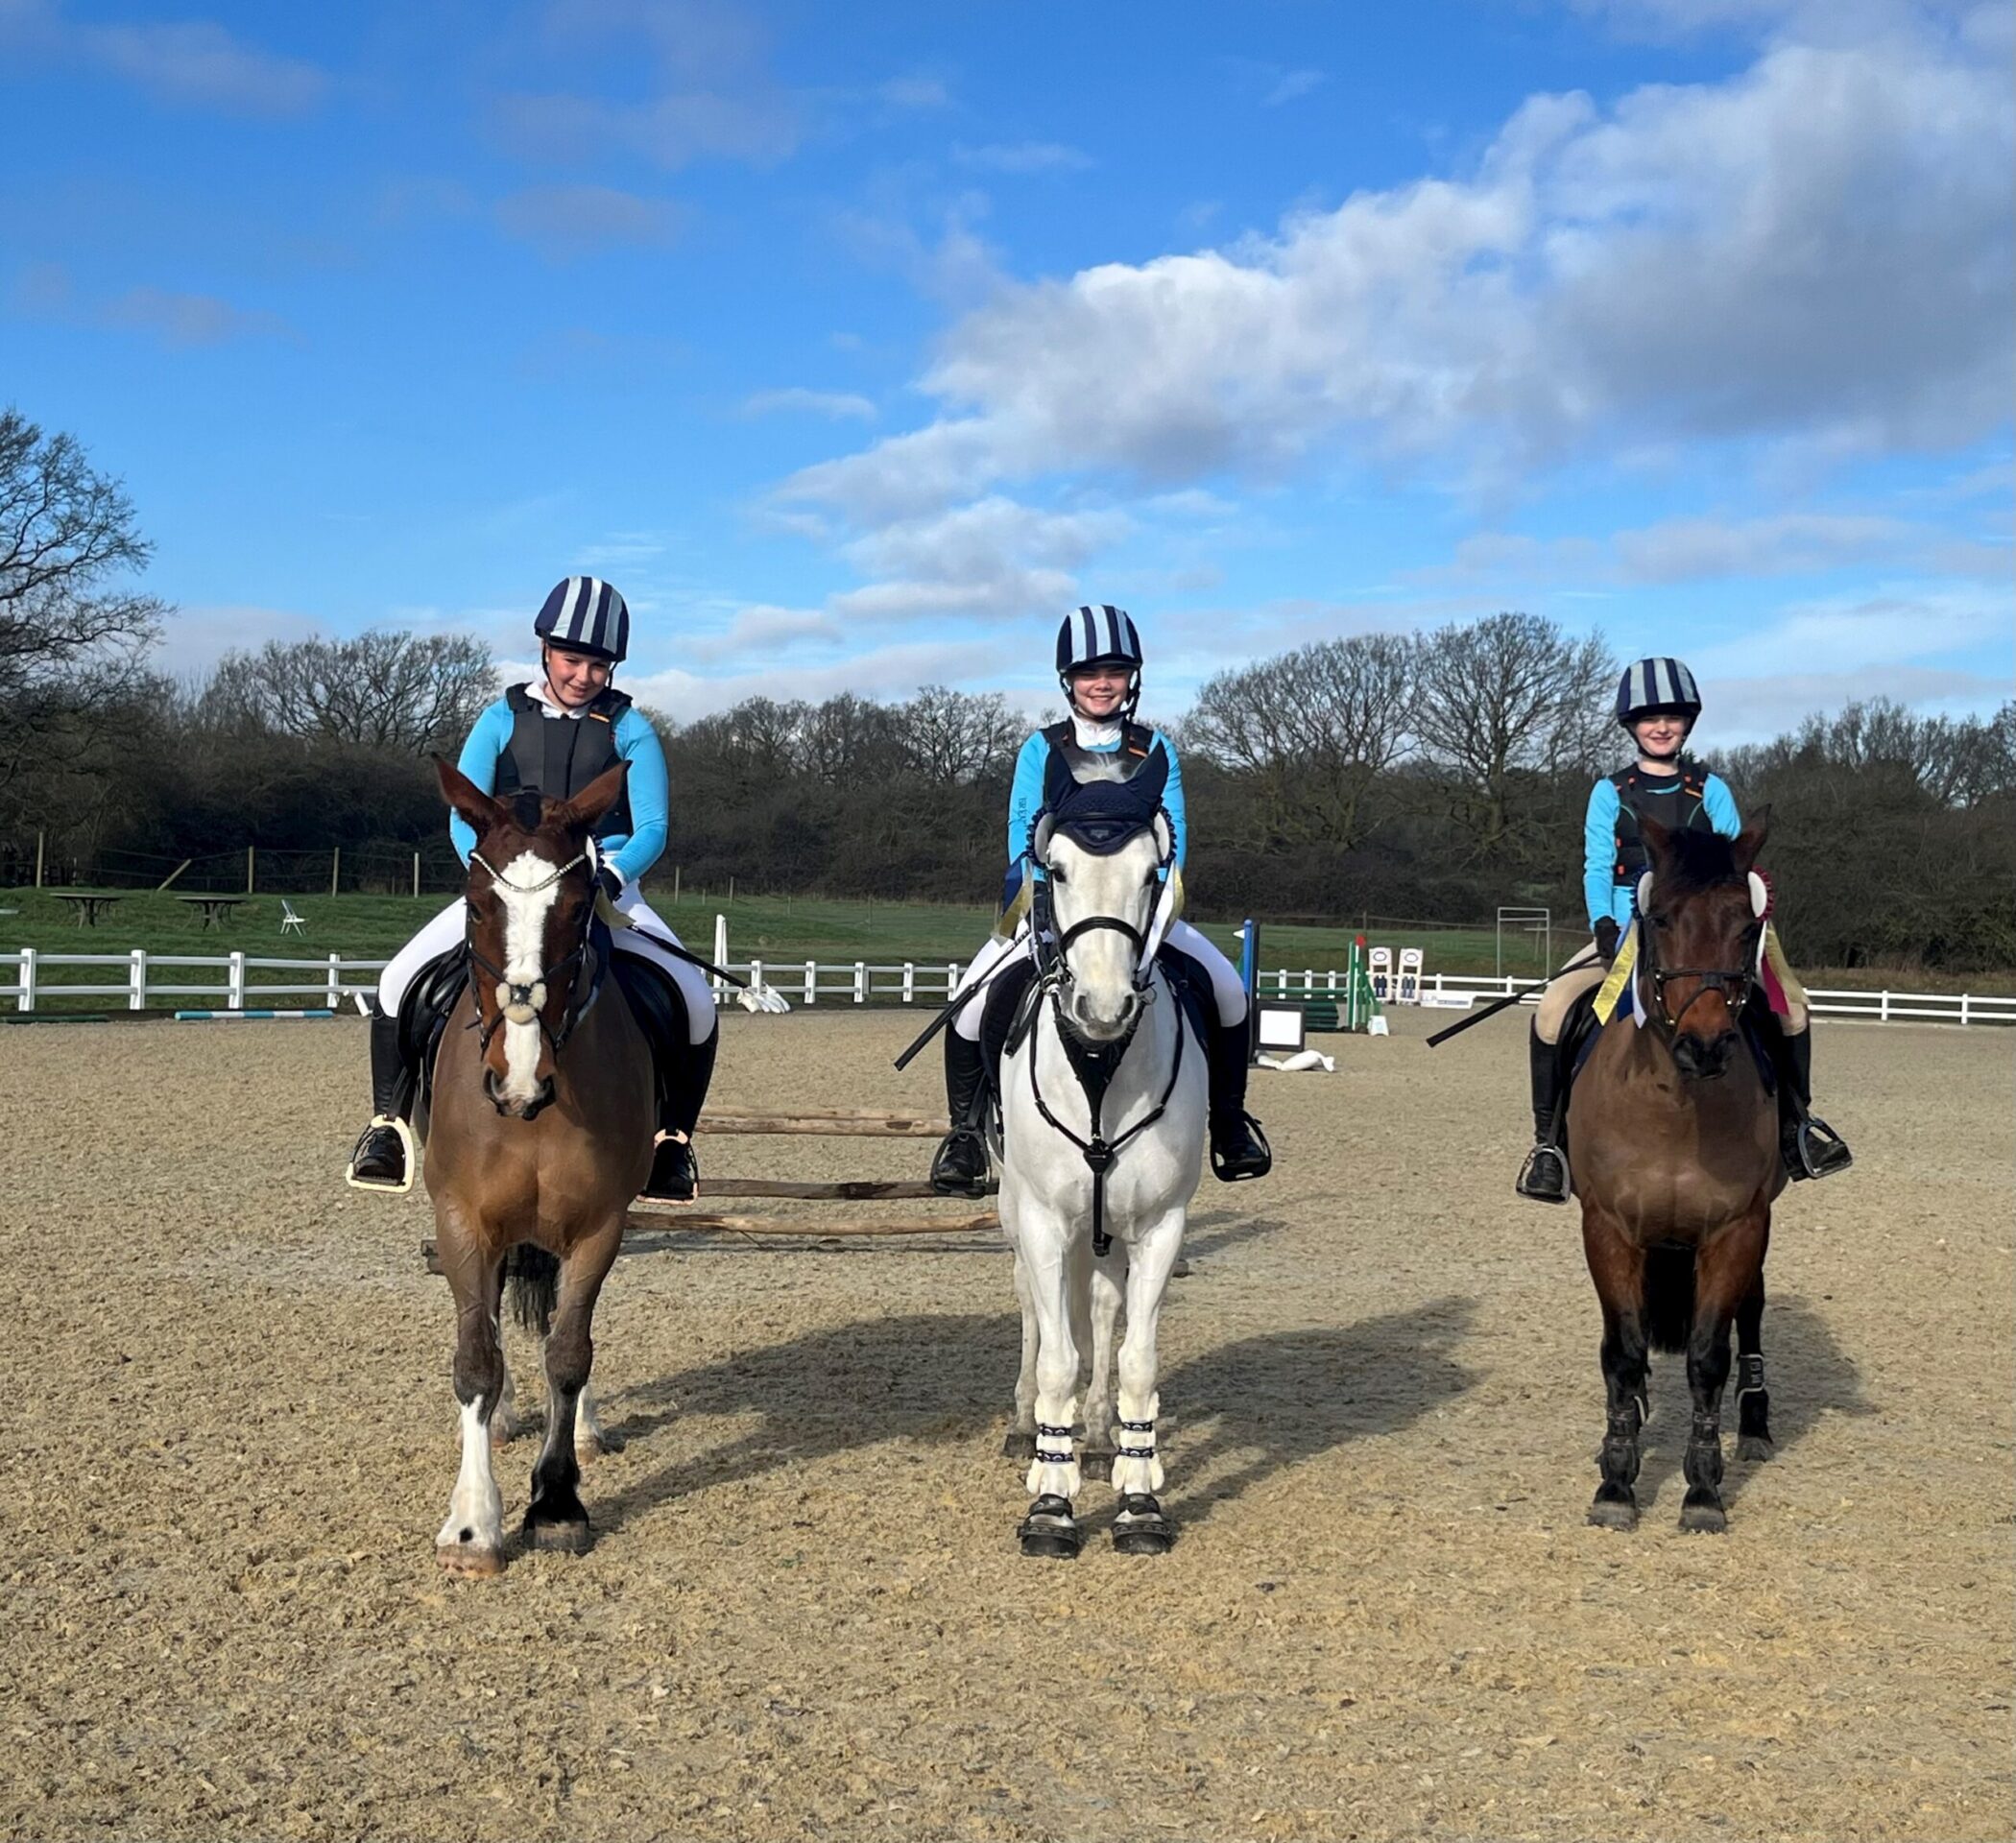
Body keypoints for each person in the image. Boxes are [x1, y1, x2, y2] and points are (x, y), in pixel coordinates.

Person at [346, 576, 718, 1201]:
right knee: (396, 979)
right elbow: (460, 817)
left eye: (599, 665)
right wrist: (494, 878)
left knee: (695, 999)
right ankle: (386, 1124)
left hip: (601, 884)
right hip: (506, 889)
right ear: (545, 648)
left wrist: (612, 873)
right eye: (573, 659)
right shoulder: (499, 719)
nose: (584, 675)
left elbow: (652, 826)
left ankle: (672, 1143)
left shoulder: (632, 730)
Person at [928, 605, 1272, 1196]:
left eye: (1114, 670)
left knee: (1228, 989)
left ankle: (1228, 1121)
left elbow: (1175, 832)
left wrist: (1158, 905)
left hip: (1138, 908)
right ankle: (964, 1134)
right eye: (1090, 673)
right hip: (1057, 905)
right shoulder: (1041, 749)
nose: (1102, 683)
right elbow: (1021, 828)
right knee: (968, 1001)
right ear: (1070, 680)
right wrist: (1040, 904)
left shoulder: (1155, 747)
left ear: (1131, 676)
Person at [1516, 656, 1853, 1203]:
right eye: (1649, 718)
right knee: (1553, 1009)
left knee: (1791, 1006)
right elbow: (1596, 864)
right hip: (1629, 926)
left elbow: (1733, 863)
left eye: (1672, 717)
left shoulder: (1710, 789)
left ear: (1687, 723)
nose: (1661, 726)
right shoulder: (1610, 792)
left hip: (1706, 932)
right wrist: (1602, 921)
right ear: (1631, 725)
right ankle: (1548, 1146)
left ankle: (1798, 1129)